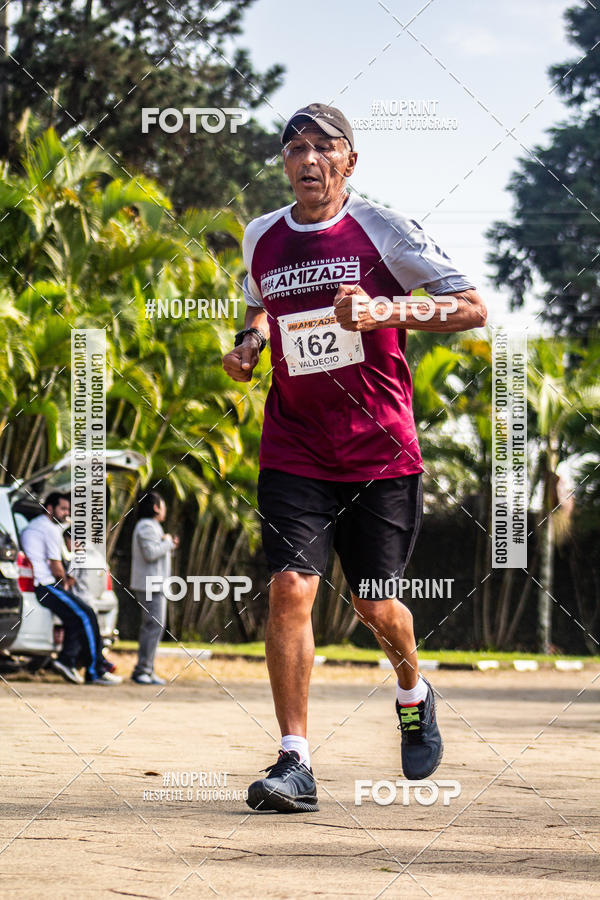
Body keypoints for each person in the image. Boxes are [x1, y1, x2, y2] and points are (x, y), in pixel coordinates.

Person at [222, 103, 487, 813]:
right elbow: (259, 305)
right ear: (283, 163)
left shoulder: (383, 230)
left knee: (376, 605)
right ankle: (294, 760)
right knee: (291, 587)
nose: (308, 161)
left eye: (323, 148)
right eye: (295, 149)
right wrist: (249, 345)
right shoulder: (261, 237)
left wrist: (382, 312)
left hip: (379, 450)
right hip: (294, 444)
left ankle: (412, 690)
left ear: (350, 162)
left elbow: (469, 308)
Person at [20, 492, 121, 685]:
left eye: (68, 509)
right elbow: (56, 566)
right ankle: (95, 670)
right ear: (50, 509)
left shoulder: (32, 526)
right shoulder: (49, 529)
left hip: (39, 586)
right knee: (87, 614)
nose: (67, 513)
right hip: (46, 586)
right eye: (63, 509)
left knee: (75, 618)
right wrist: (66, 581)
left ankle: (67, 661)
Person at [130, 491, 178, 685]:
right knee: (154, 625)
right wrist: (167, 542)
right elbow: (150, 553)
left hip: (155, 583)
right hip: (150, 584)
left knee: (153, 626)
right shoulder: (147, 526)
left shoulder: (153, 526)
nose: (165, 509)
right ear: (156, 507)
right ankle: (143, 670)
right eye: (163, 505)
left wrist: (168, 545)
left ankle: (146, 669)